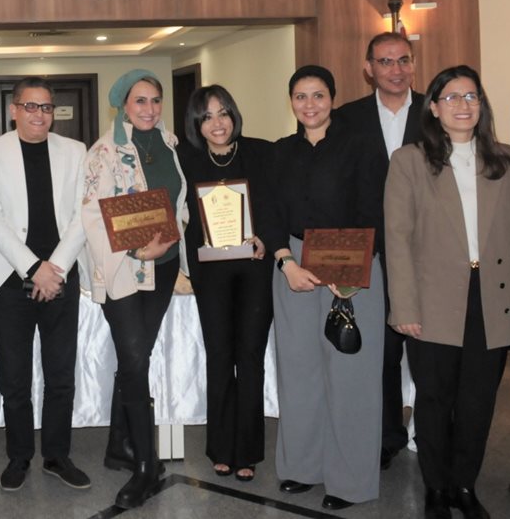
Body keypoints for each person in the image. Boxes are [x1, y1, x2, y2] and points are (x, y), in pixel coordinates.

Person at [385, 65, 510, 519]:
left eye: (471, 96)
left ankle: (464, 485)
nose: (463, 105)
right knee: (434, 400)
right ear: (433, 108)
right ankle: (436, 487)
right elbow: (398, 239)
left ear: (482, 105)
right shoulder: (409, 161)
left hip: (491, 298)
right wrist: (404, 307)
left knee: (478, 401)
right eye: (451, 97)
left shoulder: (509, 162)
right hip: (431, 299)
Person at [267, 65, 387, 511]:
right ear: (291, 102)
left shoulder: (362, 146)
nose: (310, 104)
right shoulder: (281, 151)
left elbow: (375, 209)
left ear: (332, 99)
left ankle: (350, 481)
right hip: (294, 267)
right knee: (299, 371)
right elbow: (269, 210)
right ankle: (302, 468)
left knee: (350, 375)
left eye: (318, 95)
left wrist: (348, 269)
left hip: (352, 266)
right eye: (301, 96)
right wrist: (285, 261)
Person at [0, 76, 91, 492]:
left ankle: (57, 456)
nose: (39, 114)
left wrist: (54, 267)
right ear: (14, 110)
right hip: (11, 279)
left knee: (61, 375)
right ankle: (19, 456)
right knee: (15, 378)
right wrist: (32, 268)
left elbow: (83, 214)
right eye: (30, 106)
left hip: (61, 276)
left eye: (46, 107)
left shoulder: (75, 151)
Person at [81, 69, 187, 510]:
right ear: (124, 105)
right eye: (140, 100)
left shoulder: (169, 144)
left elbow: (179, 202)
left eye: (155, 100)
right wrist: (136, 251)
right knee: (135, 360)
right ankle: (145, 465)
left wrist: (173, 239)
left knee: (134, 358)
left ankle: (118, 446)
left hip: (163, 268)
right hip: (124, 270)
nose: (149, 109)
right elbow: (93, 216)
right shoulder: (104, 152)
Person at [335, 32, 424, 469]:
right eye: (385, 61)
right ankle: (388, 435)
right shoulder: (345, 118)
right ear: (368, 68)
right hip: (370, 253)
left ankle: (431, 434)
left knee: (429, 350)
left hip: (428, 252)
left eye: (403, 60)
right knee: (384, 351)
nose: (395, 70)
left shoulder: (435, 112)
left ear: (414, 64)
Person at [178, 84, 273, 482]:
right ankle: (220, 446)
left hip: (254, 267)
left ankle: (247, 450)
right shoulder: (185, 161)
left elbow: (275, 204)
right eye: (206, 117)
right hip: (210, 271)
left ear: (233, 115)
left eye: (222, 113)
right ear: (195, 125)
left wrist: (266, 237)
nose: (216, 124)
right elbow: (178, 216)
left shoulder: (261, 152)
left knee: (249, 356)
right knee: (219, 355)